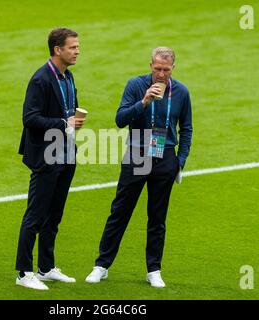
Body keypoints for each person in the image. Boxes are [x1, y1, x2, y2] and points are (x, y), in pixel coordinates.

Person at [85, 47, 192, 288]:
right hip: (137, 155)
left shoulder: (182, 92)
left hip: (165, 157)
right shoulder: (135, 86)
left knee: (157, 218)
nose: (161, 74)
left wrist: (180, 161)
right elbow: (120, 119)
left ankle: (153, 270)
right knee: (120, 211)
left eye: (166, 70)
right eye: (157, 69)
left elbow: (186, 128)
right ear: (150, 66)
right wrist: (144, 102)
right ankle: (101, 265)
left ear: (173, 68)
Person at [15, 28, 85, 290]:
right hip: (46, 156)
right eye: (73, 47)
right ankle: (23, 272)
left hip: (66, 153)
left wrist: (74, 121)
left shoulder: (68, 77)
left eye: (78, 47)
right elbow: (29, 118)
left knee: (54, 214)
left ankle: (45, 267)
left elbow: (67, 111)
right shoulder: (41, 79)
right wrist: (62, 122)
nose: (77, 51)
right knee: (35, 215)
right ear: (58, 49)